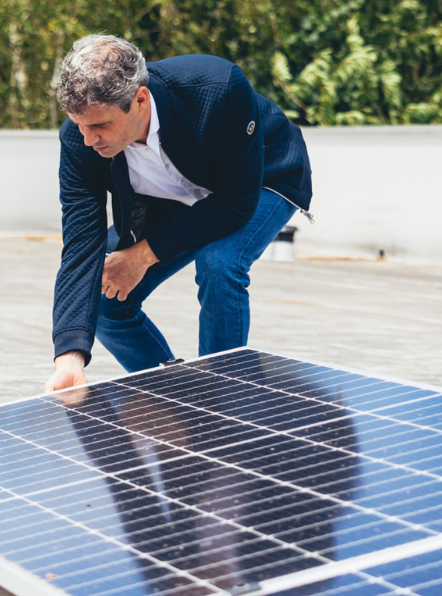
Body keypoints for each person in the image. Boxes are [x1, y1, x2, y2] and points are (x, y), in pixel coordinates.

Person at [44, 34, 313, 393]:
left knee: (219, 262)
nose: (89, 139)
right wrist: (69, 358)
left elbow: (235, 202)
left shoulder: (217, 88)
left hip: (263, 178)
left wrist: (144, 253)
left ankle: (223, 397)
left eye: (100, 125)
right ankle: (177, 394)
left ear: (139, 99)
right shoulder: (80, 141)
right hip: (174, 194)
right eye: (79, 124)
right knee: (105, 295)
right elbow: (81, 247)